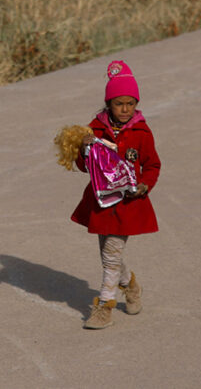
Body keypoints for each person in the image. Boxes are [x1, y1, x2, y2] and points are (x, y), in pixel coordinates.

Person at [71, 60, 161, 330]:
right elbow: (82, 166)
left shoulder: (141, 133)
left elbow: (153, 165)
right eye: (119, 103)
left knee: (110, 255)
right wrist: (84, 148)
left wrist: (145, 184)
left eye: (130, 103)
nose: (125, 109)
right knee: (109, 255)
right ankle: (130, 285)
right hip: (101, 202)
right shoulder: (94, 130)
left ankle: (104, 307)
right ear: (108, 103)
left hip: (127, 204)